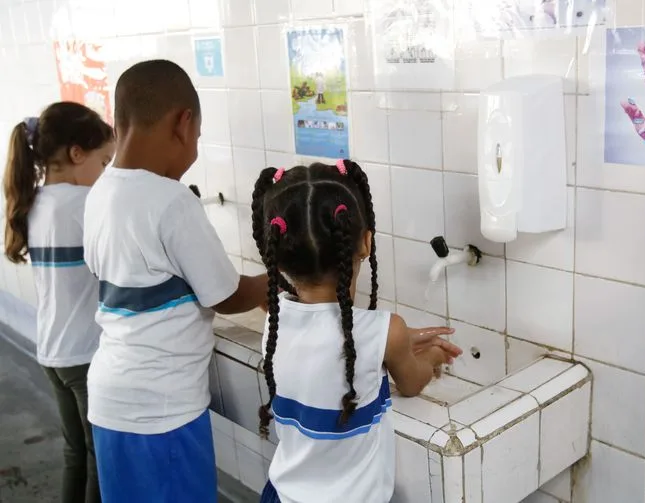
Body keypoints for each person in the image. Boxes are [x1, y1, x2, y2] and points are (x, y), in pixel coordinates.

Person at [82, 59, 268, 503]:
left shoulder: (100, 192)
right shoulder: (171, 201)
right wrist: (279, 279)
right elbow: (227, 295)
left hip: (112, 400)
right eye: (199, 138)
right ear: (183, 124)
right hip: (161, 411)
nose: (195, 150)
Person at [251, 159, 462, 503]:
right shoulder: (384, 331)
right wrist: (434, 354)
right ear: (366, 243)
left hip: (281, 494)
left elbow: (325, 342)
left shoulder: (276, 320)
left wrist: (396, 341)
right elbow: (412, 382)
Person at [3, 102, 114, 503]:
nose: (104, 175)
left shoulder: (35, 202)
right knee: (101, 457)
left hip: (51, 351)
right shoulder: (83, 204)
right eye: (104, 163)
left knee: (75, 454)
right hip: (84, 355)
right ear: (76, 154)